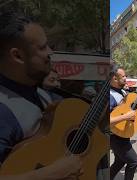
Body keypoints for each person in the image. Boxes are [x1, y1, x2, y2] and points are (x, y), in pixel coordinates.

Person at [0, 12, 82, 179]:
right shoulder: (3, 112)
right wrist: (55, 172)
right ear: (18, 56)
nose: (50, 52)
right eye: (43, 47)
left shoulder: (43, 93)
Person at [109, 64, 137, 180]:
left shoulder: (122, 91)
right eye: (123, 76)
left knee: (120, 162)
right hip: (115, 137)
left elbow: (127, 108)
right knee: (134, 162)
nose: (126, 78)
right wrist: (126, 117)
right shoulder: (109, 95)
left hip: (122, 134)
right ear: (114, 78)